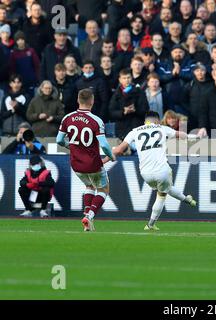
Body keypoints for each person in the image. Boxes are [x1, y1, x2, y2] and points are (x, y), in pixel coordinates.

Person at [110, 111, 197, 231]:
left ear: (145, 121)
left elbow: (119, 150)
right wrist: (194, 137)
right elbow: (181, 135)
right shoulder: (161, 128)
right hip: (162, 170)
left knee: (165, 188)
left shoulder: (135, 131)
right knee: (162, 195)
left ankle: (187, 199)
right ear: (157, 120)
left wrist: (106, 156)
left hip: (145, 173)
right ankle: (150, 224)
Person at [56, 89, 115, 232]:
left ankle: (86, 220)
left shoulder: (67, 118)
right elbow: (105, 145)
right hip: (93, 164)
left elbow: (59, 140)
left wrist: (70, 147)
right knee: (103, 189)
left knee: (89, 187)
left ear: (78, 100)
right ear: (92, 101)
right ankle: (89, 216)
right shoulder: (96, 121)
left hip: (76, 164)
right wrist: (110, 156)